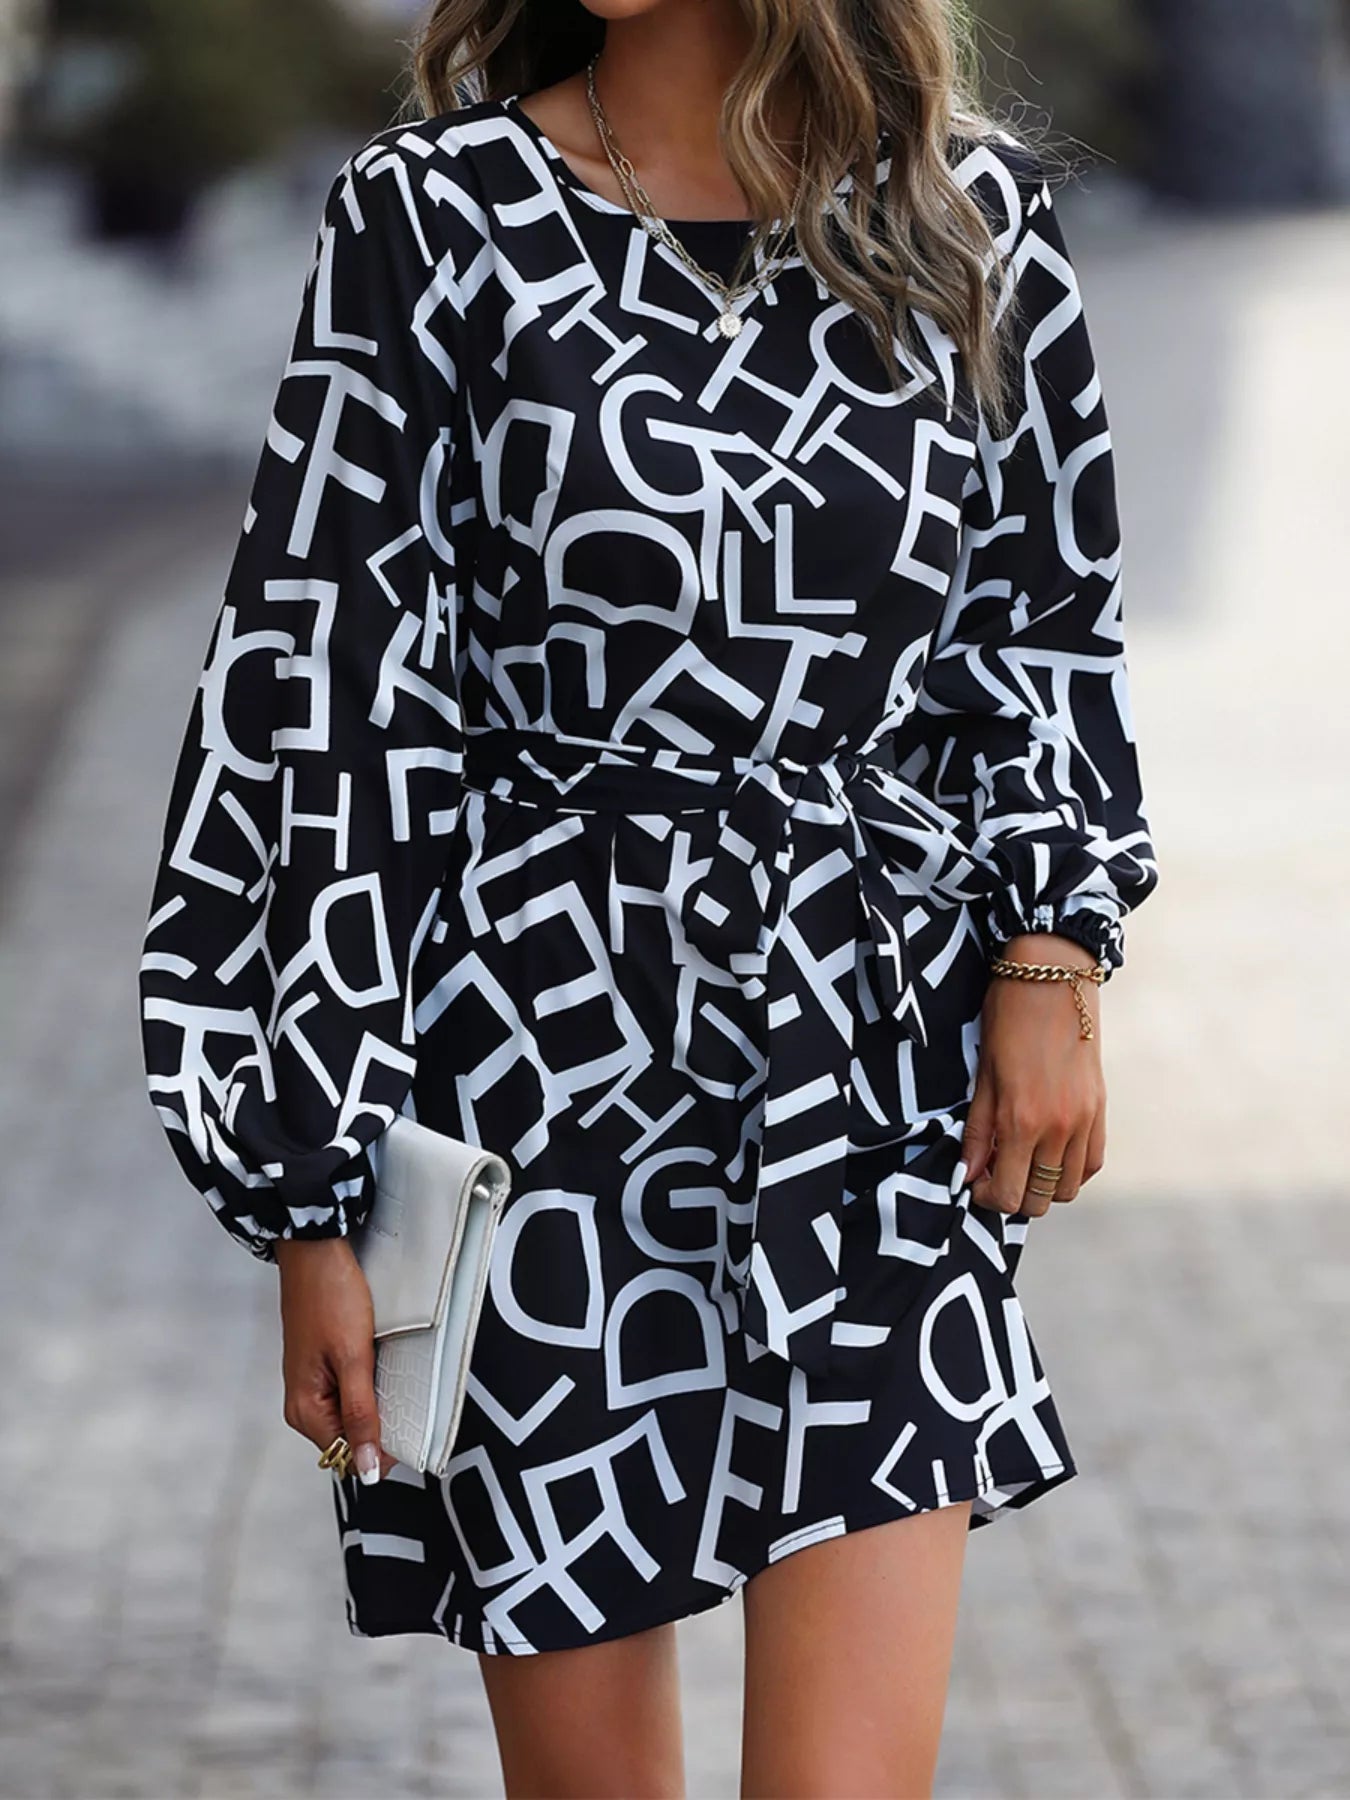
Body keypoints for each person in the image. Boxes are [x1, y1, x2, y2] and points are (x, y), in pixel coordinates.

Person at [137, 1, 1160, 1793]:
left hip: (863, 1078)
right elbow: (327, 701)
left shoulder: (964, 218)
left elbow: (1045, 628)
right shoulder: (432, 217)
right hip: (538, 1078)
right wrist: (308, 1190)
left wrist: (1051, 951)